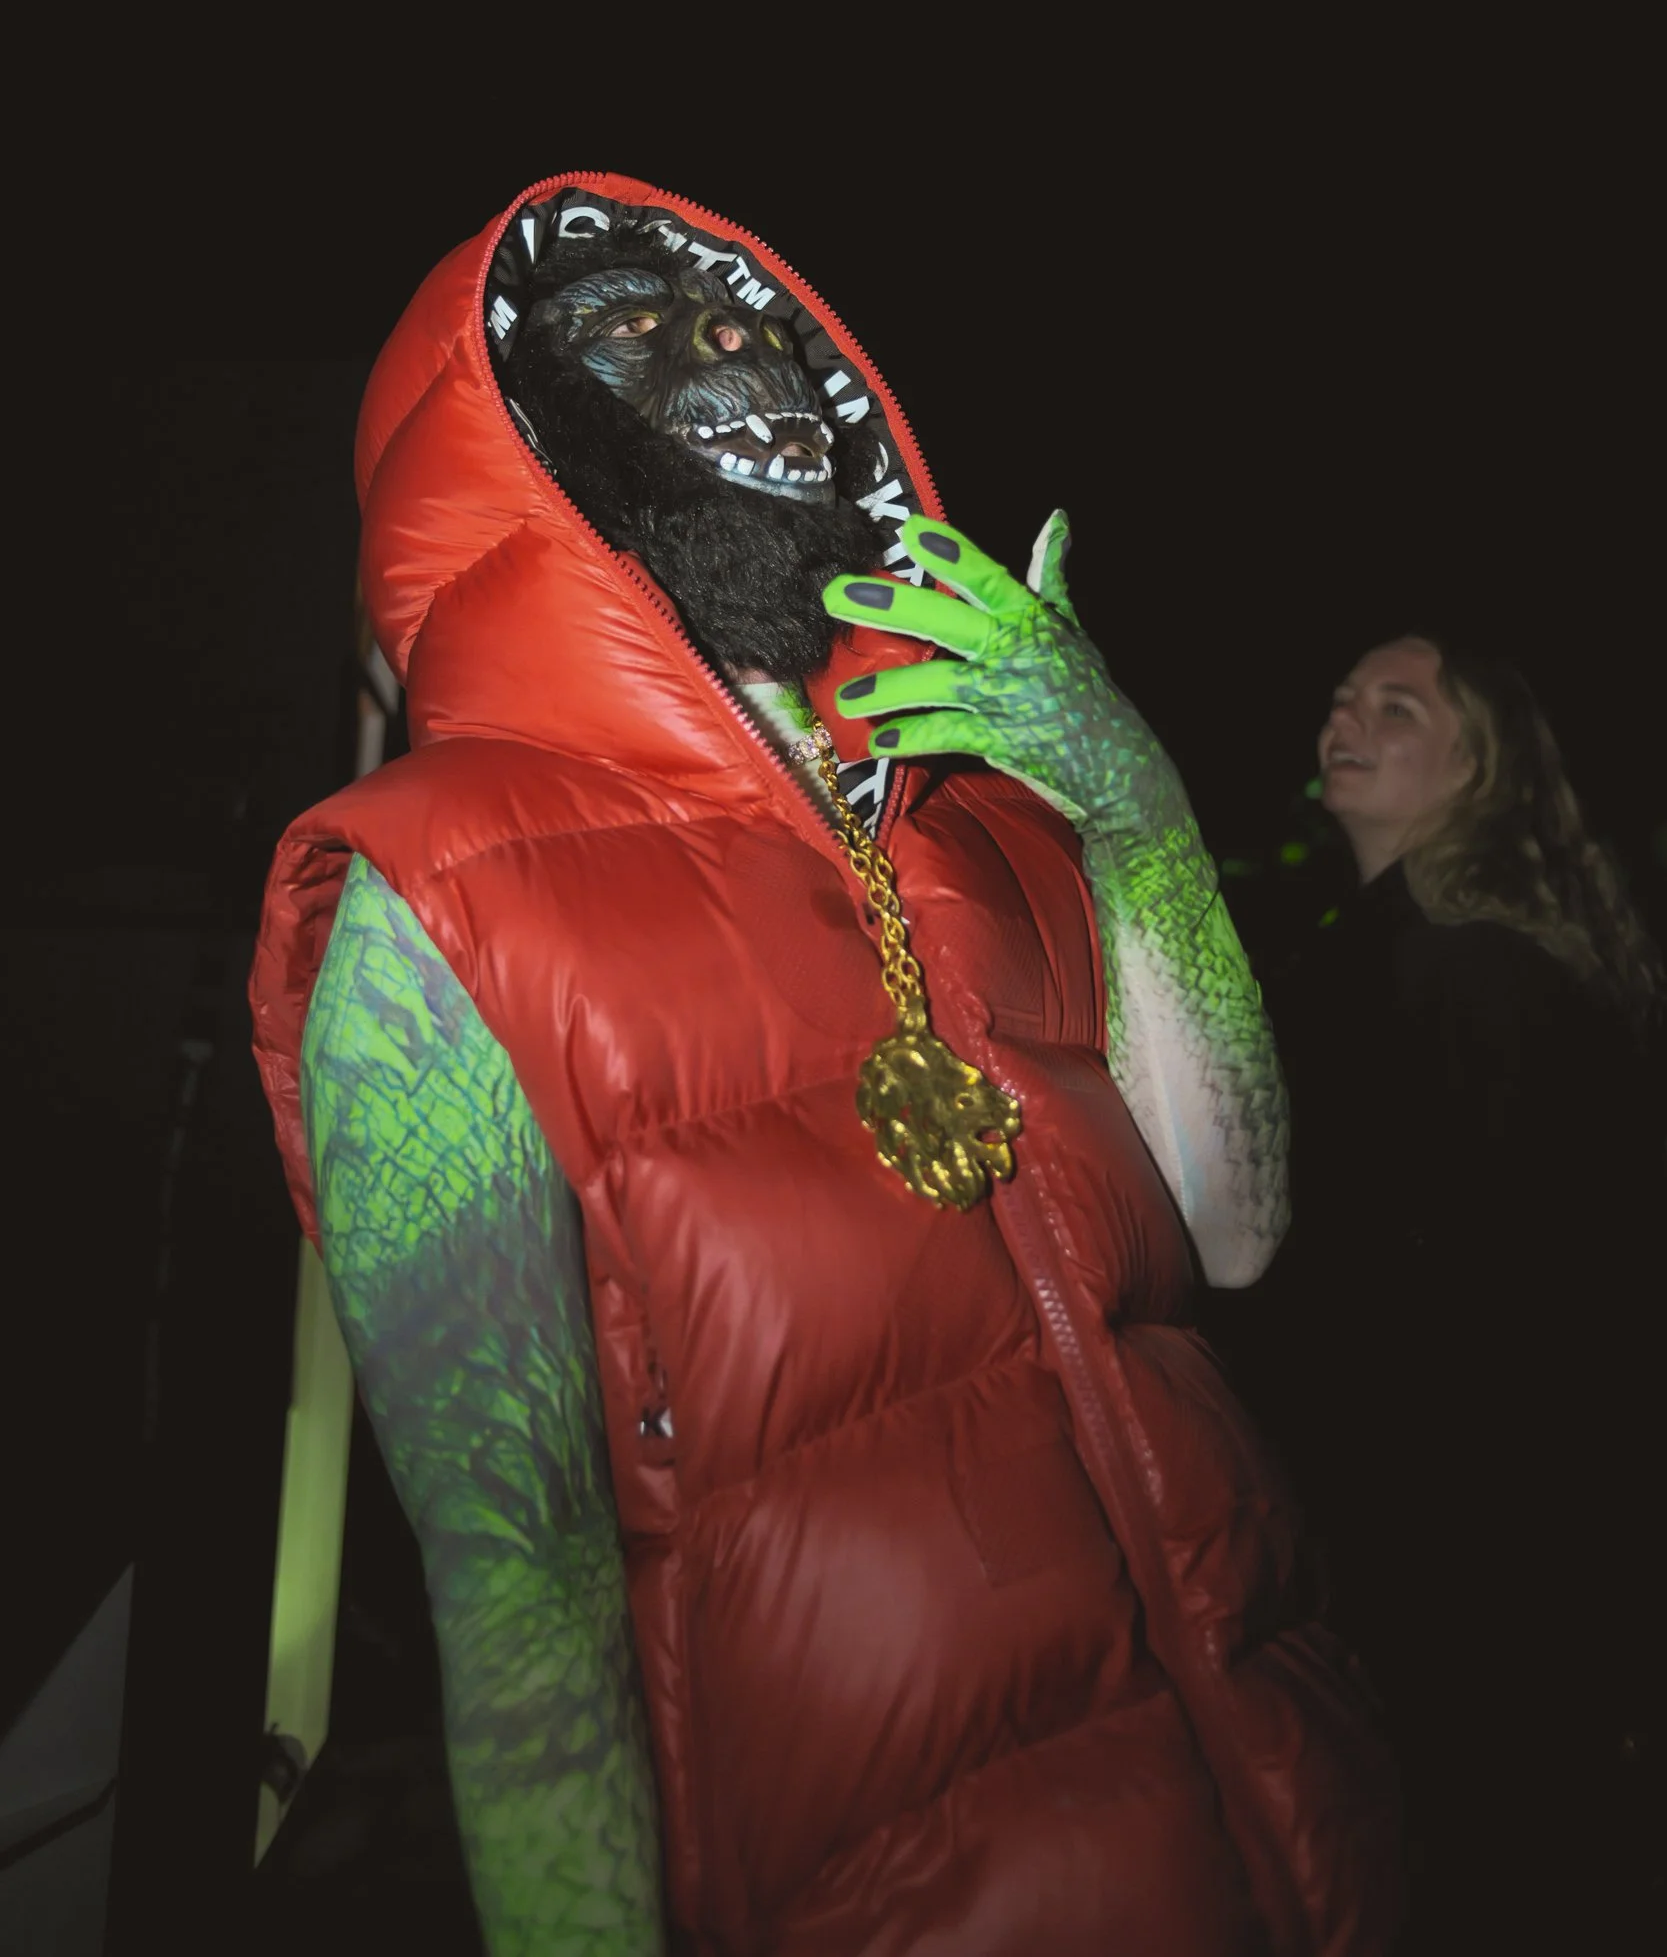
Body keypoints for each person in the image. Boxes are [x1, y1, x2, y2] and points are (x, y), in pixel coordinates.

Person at [251, 171, 1401, 1956]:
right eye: (629, 329)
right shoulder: (440, 893)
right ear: (519, 453)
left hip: (1311, 1832)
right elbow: (519, 1594)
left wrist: (1137, 809)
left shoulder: (997, 813)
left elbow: (1233, 1234)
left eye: (756, 327)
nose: (735, 347)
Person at [1207, 634, 1663, 1950]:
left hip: (1466, 1546)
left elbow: (1510, 1301)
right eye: (1342, 695)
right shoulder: (1390, 948)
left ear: (1481, 767)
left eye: (1395, 708)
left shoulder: (1469, 976)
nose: (1344, 715)